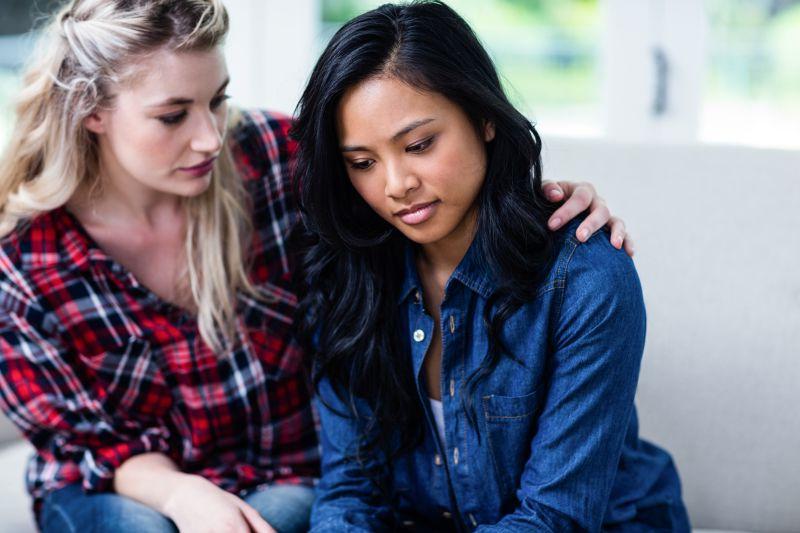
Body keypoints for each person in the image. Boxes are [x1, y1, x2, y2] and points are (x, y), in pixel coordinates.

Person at [0, 1, 624, 532]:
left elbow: (414, 145)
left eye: (218, 101)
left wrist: (547, 197)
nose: (209, 139)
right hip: (126, 483)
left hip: (277, 468)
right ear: (92, 112)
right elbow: (83, 441)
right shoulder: (25, 262)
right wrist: (181, 495)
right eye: (172, 115)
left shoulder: (272, 158)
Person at [293, 2, 691, 532]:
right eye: (363, 163)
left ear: (483, 118)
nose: (395, 184)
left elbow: (554, 518)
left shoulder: (587, 280)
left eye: (418, 145)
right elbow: (350, 492)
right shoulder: (351, 275)